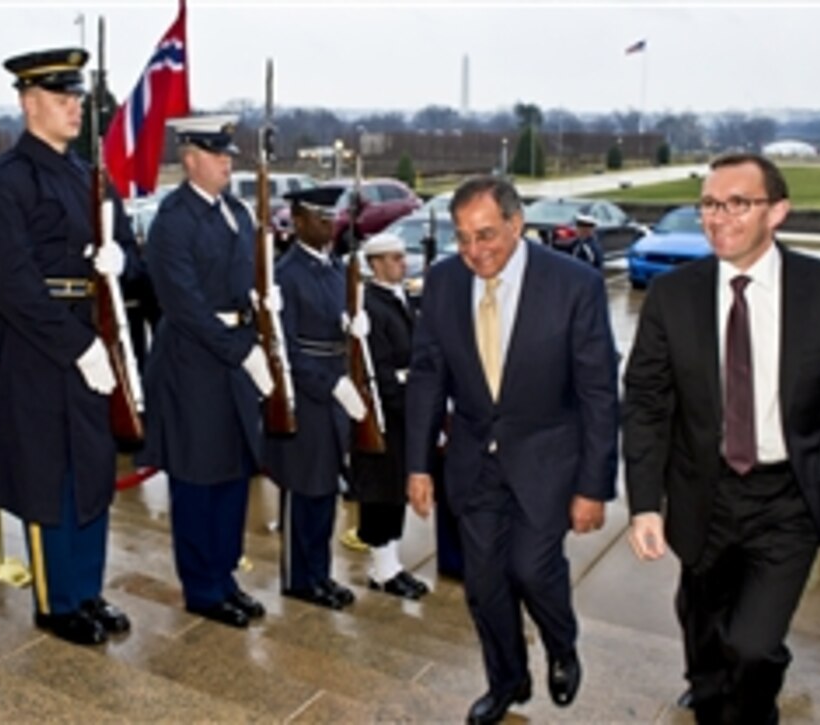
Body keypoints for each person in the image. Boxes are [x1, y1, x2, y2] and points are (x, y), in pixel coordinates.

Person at [622, 152, 820, 724]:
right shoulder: (673, 297)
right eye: (710, 205)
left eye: (738, 204)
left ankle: (752, 709)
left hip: (788, 499)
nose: (719, 218)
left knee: (754, 645)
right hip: (703, 495)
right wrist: (645, 503)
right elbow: (646, 405)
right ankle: (713, 698)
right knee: (703, 630)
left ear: (778, 212)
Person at [406, 176, 620, 724]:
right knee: (483, 585)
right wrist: (418, 464)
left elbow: (598, 393)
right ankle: (507, 681)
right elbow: (429, 376)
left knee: (531, 567)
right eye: (463, 238)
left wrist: (594, 486)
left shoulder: (574, 285)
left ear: (517, 223)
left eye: (486, 236)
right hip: (474, 460)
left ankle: (561, 644)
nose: (475, 252)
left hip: (548, 460)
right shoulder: (443, 282)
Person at [0, 47, 139, 646]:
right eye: (62, 98)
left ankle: (86, 590)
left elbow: (128, 257)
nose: (76, 108)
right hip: (40, 349)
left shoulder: (87, 175)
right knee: (50, 478)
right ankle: (56, 601)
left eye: (77, 98)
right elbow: (13, 286)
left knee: (91, 472)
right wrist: (78, 346)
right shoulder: (3, 182)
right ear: (28, 102)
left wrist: (120, 262)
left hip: (90, 338)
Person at [137, 117, 272, 628]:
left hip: (234, 353)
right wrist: (240, 350)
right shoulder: (174, 219)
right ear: (189, 158)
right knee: (198, 480)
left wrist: (261, 318)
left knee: (234, 475)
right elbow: (183, 305)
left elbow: (248, 279)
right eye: (216, 154)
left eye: (228, 154)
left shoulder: (234, 211)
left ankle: (224, 576)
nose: (226, 162)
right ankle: (202, 588)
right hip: (194, 363)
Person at [264, 186, 366, 610]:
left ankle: (320, 573)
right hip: (308, 395)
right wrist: (328, 384)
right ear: (299, 221)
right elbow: (284, 347)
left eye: (333, 219)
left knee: (325, 489)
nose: (330, 227)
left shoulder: (336, 268)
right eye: (320, 219)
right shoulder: (287, 274)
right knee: (304, 489)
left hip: (336, 390)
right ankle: (299, 578)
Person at [349, 232, 429, 600]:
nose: (403, 263)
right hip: (387, 409)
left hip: (406, 405)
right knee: (381, 490)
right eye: (395, 258)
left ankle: (391, 564)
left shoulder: (403, 299)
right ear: (376, 263)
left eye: (403, 256)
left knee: (397, 487)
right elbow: (378, 367)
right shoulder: (370, 306)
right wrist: (402, 402)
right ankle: (383, 568)